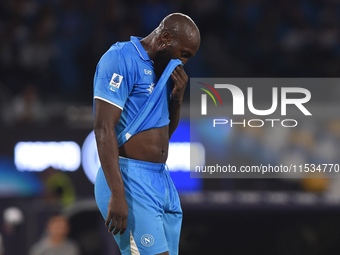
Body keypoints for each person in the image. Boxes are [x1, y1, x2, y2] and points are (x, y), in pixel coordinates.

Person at [93, 13, 200, 255]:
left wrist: (177, 98)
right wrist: (118, 194)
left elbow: (164, 137)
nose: (184, 62)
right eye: (184, 53)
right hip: (130, 179)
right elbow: (103, 128)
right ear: (164, 38)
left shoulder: (162, 69)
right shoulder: (120, 58)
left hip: (161, 179)